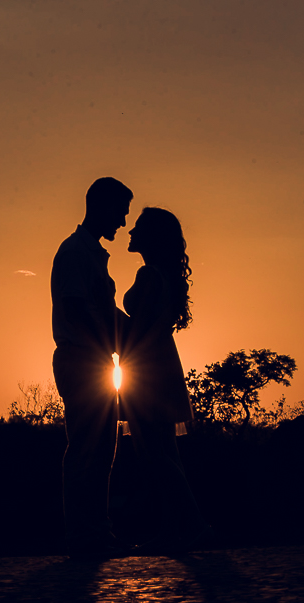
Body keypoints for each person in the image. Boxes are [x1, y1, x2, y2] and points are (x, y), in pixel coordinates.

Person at [119, 207, 210, 555]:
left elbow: (141, 329)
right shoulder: (159, 276)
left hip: (147, 371)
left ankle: (195, 526)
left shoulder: (149, 276)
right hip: (159, 365)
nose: (130, 232)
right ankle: (175, 530)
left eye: (138, 227)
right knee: (165, 453)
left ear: (151, 236)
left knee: (154, 453)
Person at [51, 177, 133, 559]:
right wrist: (108, 342)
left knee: (102, 449)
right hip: (82, 359)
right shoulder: (75, 252)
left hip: (95, 361)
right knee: (87, 449)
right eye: (119, 212)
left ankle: (96, 532)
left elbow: (97, 309)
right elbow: (75, 307)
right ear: (100, 206)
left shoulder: (90, 253)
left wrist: (129, 332)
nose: (123, 221)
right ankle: (84, 535)